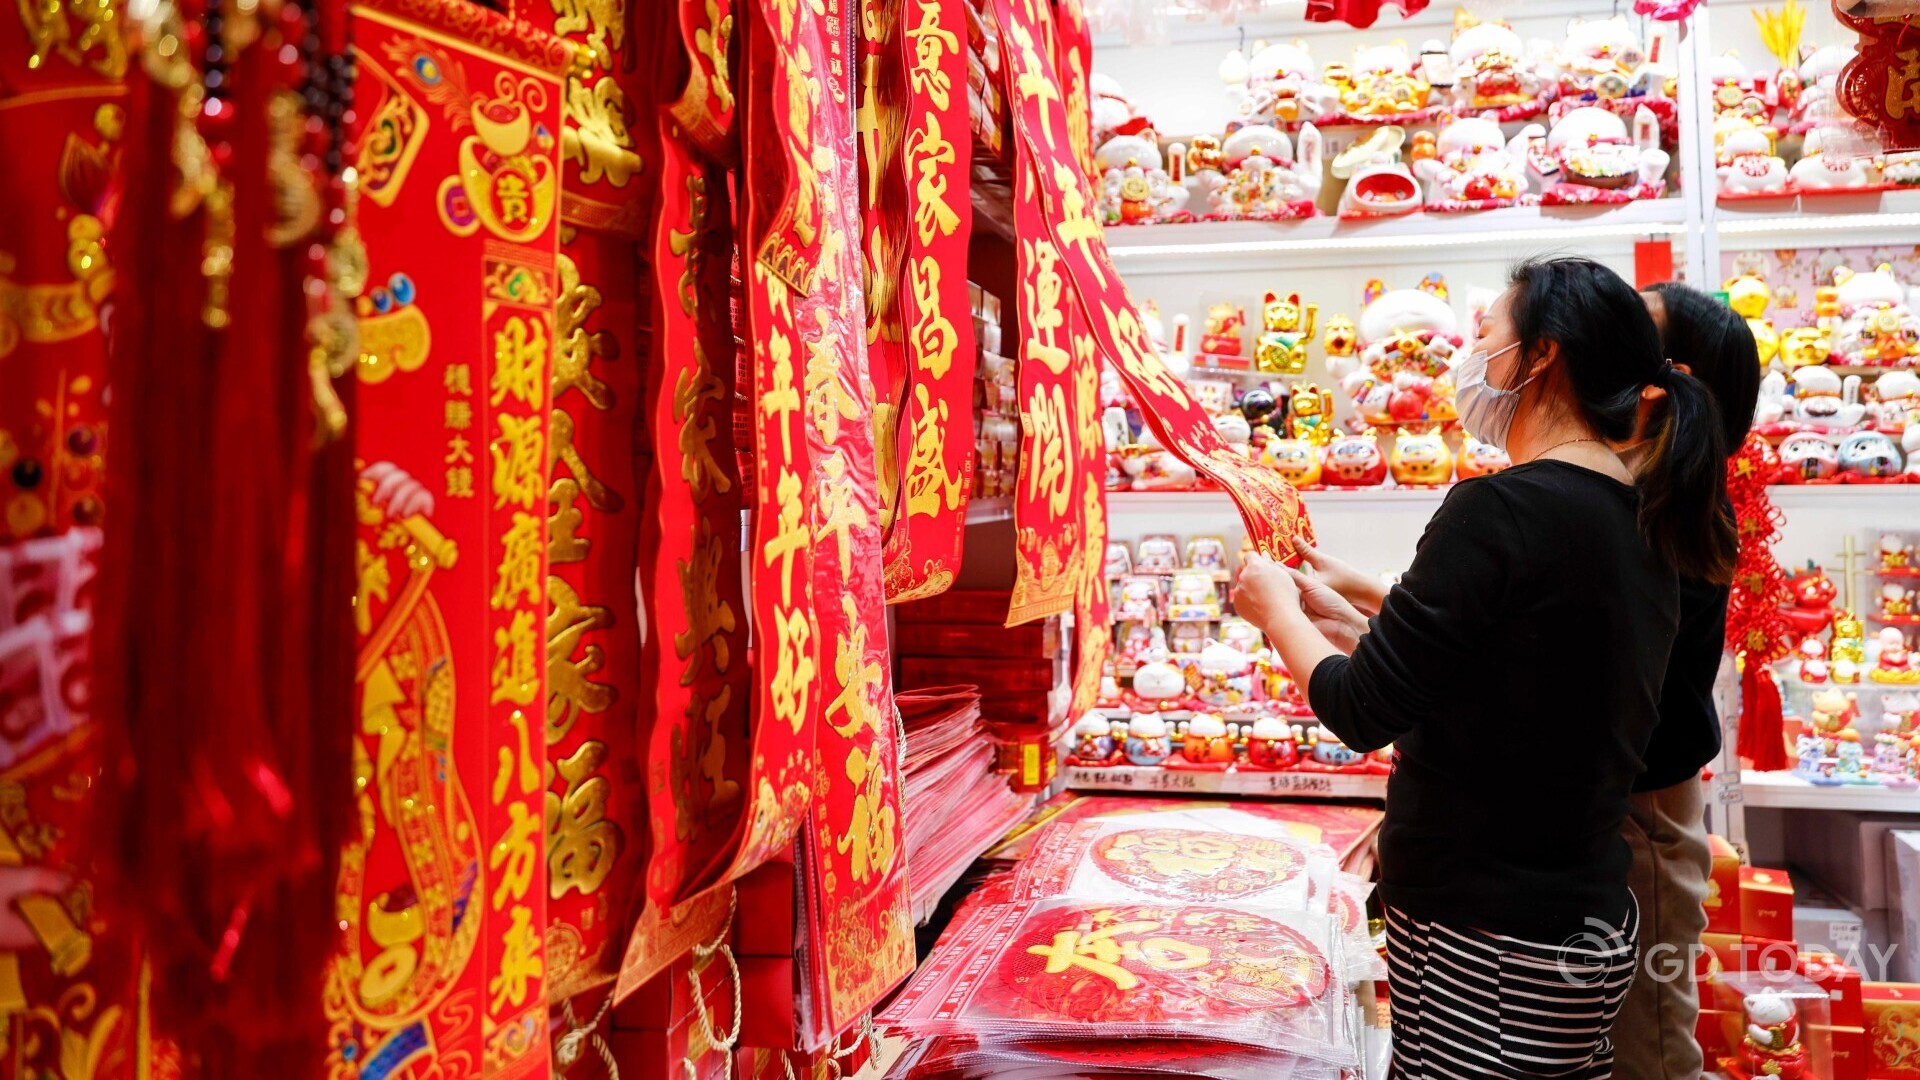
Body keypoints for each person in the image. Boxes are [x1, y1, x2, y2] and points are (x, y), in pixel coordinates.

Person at [1235, 257, 1733, 1078]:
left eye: (1487, 335)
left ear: (1541, 356)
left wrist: (1276, 611)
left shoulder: (1498, 508)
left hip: (1488, 930)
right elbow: (1513, 682)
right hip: (1572, 919)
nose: (1472, 357)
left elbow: (1361, 710)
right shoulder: (1636, 519)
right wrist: (1357, 618)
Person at [1613, 283, 1760, 1080]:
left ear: (1670, 376)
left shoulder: (1673, 503)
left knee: (1655, 1044)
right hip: (1627, 798)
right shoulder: (1642, 488)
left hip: (1650, 803)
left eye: (1632, 329)